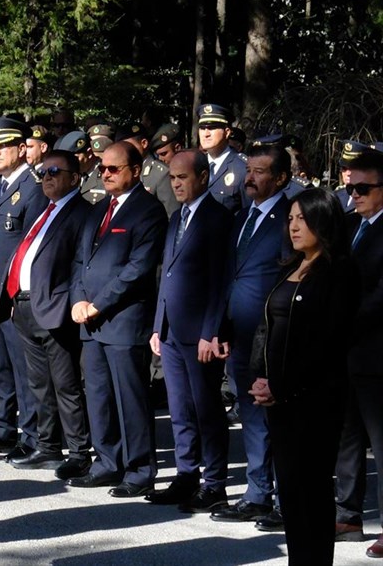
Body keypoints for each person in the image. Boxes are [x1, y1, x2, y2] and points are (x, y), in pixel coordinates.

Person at [249, 188, 357, 566]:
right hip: (278, 399)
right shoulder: (290, 267)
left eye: (303, 219)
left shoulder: (337, 273)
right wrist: (260, 379)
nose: (294, 226)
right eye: (291, 218)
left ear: (323, 222)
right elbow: (268, 329)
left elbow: (326, 343)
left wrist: (280, 386)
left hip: (314, 400)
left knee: (311, 493)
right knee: (292, 495)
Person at [68, 141, 166, 498]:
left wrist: (98, 304)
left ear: (135, 171)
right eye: (101, 169)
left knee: (131, 399)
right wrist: (78, 299)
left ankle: (139, 470)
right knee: (98, 395)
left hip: (123, 320)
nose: (104, 174)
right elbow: (81, 262)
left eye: (113, 169)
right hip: (92, 321)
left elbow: (138, 270)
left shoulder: (148, 211)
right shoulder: (98, 211)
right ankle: (107, 462)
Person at [0, 150, 93, 480]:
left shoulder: (82, 213)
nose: (46, 177)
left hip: (55, 308)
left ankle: (79, 451)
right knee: (38, 383)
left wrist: (69, 303)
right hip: (25, 305)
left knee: (65, 384)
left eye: (54, 171)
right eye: (43, 173)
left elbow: (80, 265)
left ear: (75, 178)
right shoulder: (46, 209)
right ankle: (48, 445)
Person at [145, 150, 233, 512]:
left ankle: (214, 483)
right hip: (170, 331)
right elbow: (166, 274)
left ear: (202, 176)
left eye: (183, 177)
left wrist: (211, 331)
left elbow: (221, 280)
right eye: (173, 178)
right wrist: (157, 325)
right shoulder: (176, 217)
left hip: (199, 334)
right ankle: (186, 475)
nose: (177, 184)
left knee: (206, 409)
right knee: (179, 409)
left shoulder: (218, 218)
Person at [210, 143, 292, 529]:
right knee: (250, 415)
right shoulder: (242, 217)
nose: (250, 178)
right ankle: (257, 493)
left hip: (272, 333)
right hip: (241, 333)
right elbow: (229, 276)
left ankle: (282, 496)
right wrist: (220, 328)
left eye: (260, 172)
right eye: (249, 171)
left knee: (274, 416)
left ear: (281, 178)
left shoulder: (289, 219)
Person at [0, 116, 49, 459]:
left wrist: (20, 293)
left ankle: (32, 435)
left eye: (4, 146)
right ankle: (4, 425)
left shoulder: (33, 187)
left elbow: (32, 245)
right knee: (0, 367)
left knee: (24, 369)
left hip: (13, 294)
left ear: (22, 148)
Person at [333, 148, 383, 557]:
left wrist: (341, 320)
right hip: (344, 351)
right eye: (351, 189)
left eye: (363, 189)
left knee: (381, 444)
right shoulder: (348, 225)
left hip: (376, 351)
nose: (354, 196)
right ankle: (348, 515)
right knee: (346, 437)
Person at [196, 104, 247, 212]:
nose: (206, 134)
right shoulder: (196, 164)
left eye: (212, 128)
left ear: (227, 132)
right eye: (202, 128)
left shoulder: (242, 168)